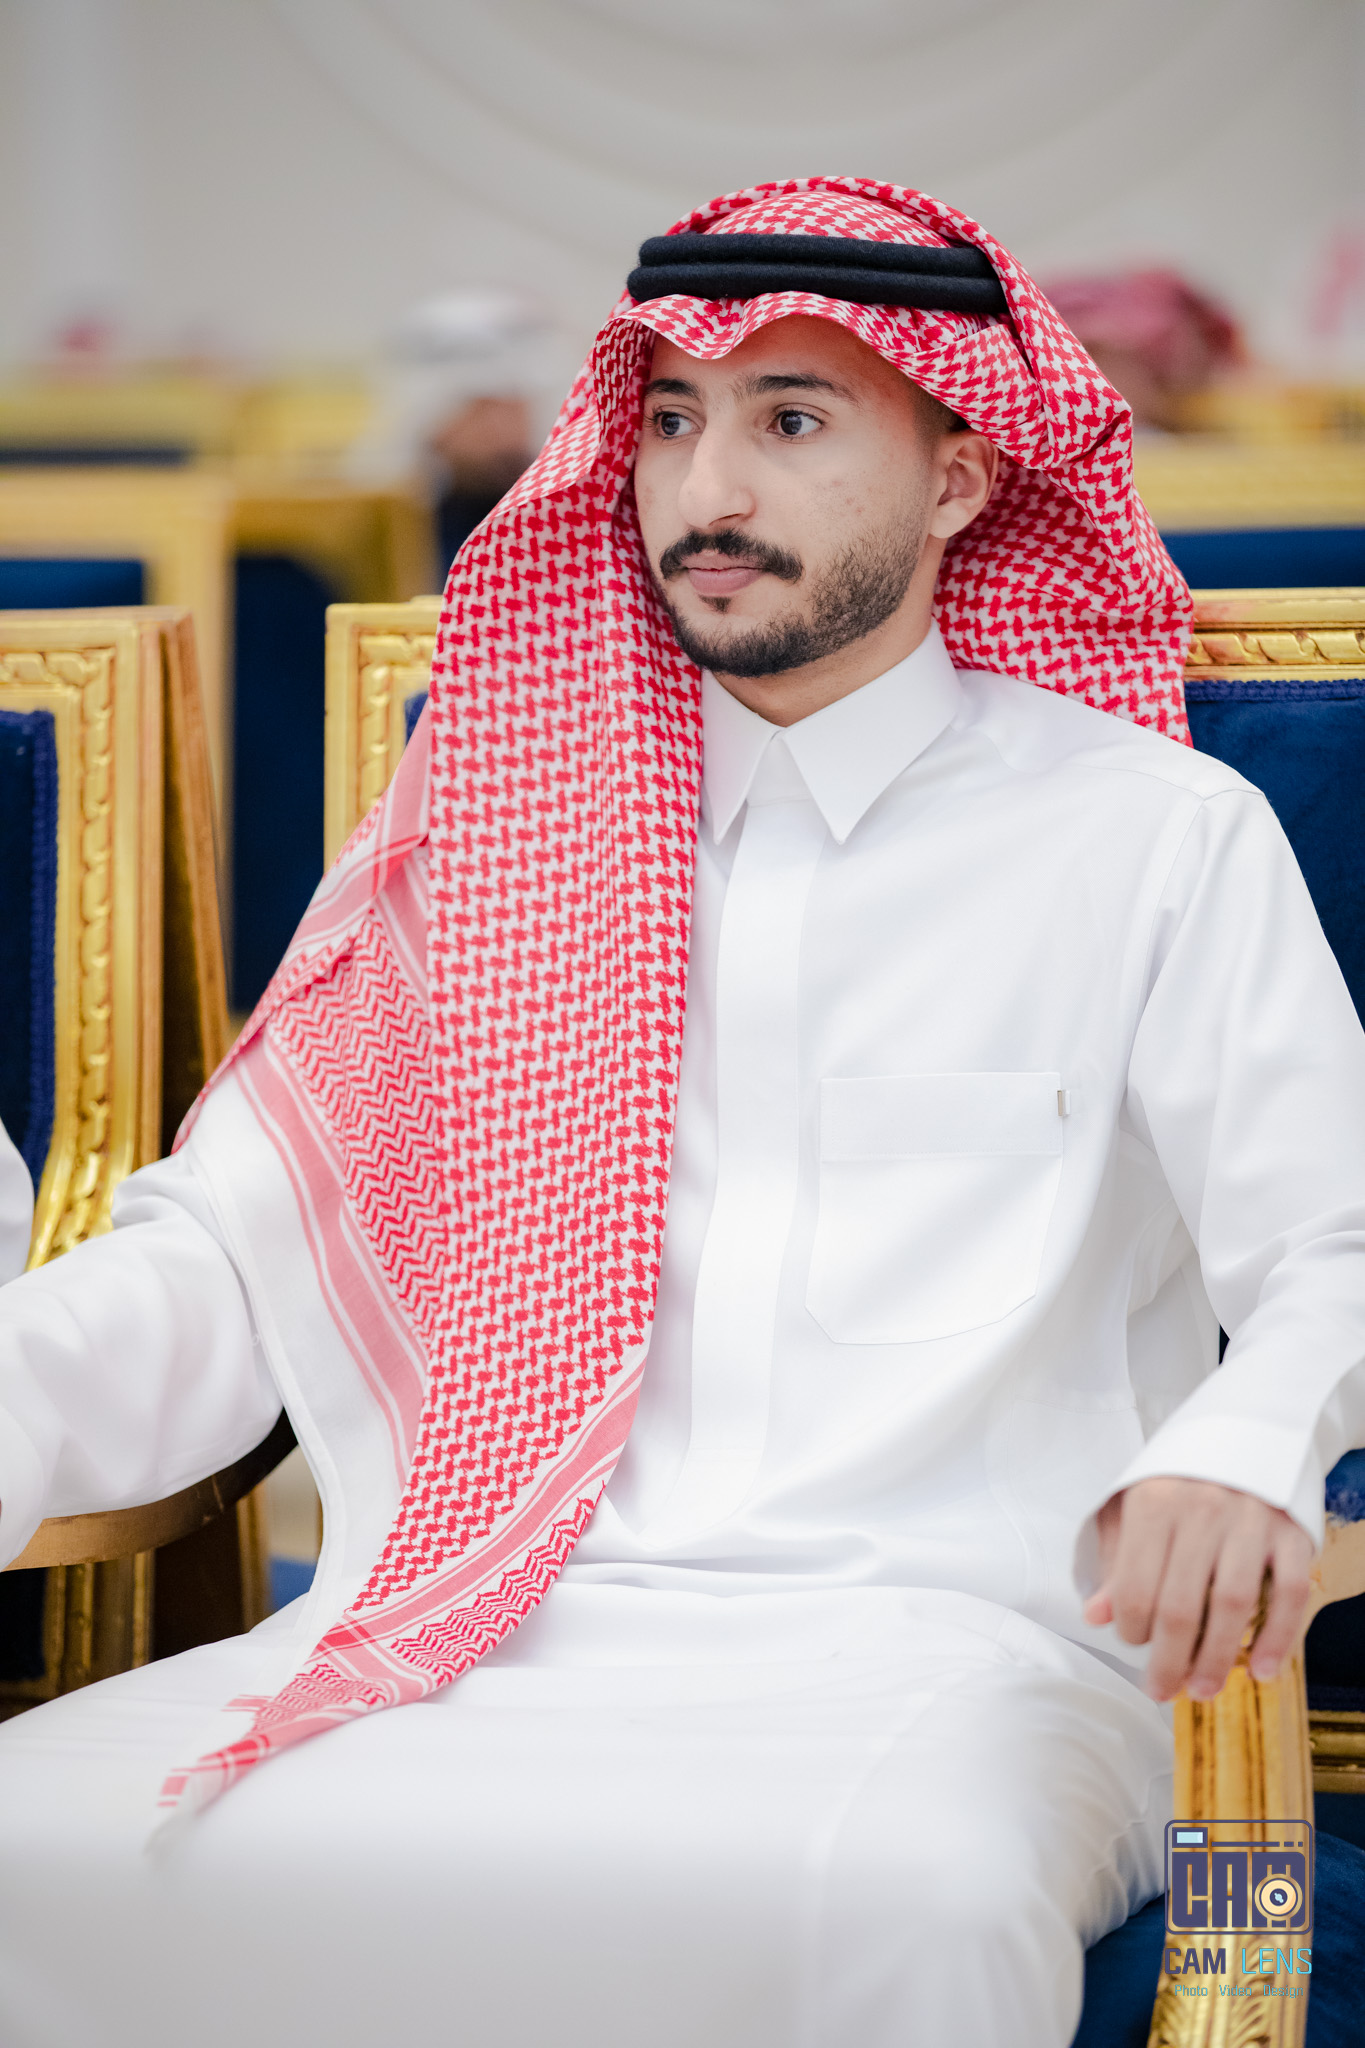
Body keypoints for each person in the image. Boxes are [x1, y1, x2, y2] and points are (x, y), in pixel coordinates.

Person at [0, 176, 1363, 2048]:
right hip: (462, 1621)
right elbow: (227, 1271)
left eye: (790, 421)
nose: (704, 490)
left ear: (960, 475)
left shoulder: (1150, 839)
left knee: (912, 1897)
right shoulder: (493, 833)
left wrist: (1249, 1443)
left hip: (970, 1656)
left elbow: (1332, 1241)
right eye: (667, 421)